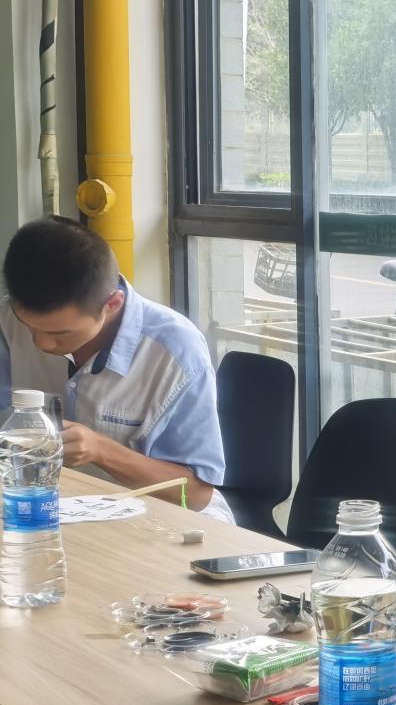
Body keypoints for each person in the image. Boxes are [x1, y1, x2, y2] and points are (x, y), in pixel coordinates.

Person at [0, 216, 232, 521]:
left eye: (60, 333)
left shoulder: (175, 350)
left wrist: (100, 450)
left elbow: (197, 494)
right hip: (50, 509)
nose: (41, 343)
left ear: (112, 304)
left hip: (165, 521)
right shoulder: (6, 321)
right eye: (28, 325)